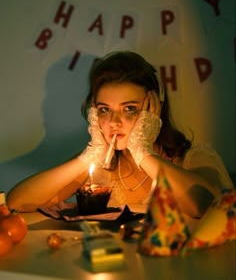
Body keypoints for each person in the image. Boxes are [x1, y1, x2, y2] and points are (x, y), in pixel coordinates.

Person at [7, 51, 234, 220]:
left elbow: (205, 207)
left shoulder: (193, 157)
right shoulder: (98, 166)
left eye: (129, 109)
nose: (115, 122)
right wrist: (88, 156)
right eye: (105, 109)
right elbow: (17, 201)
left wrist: (143, 152)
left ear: (154, 108)